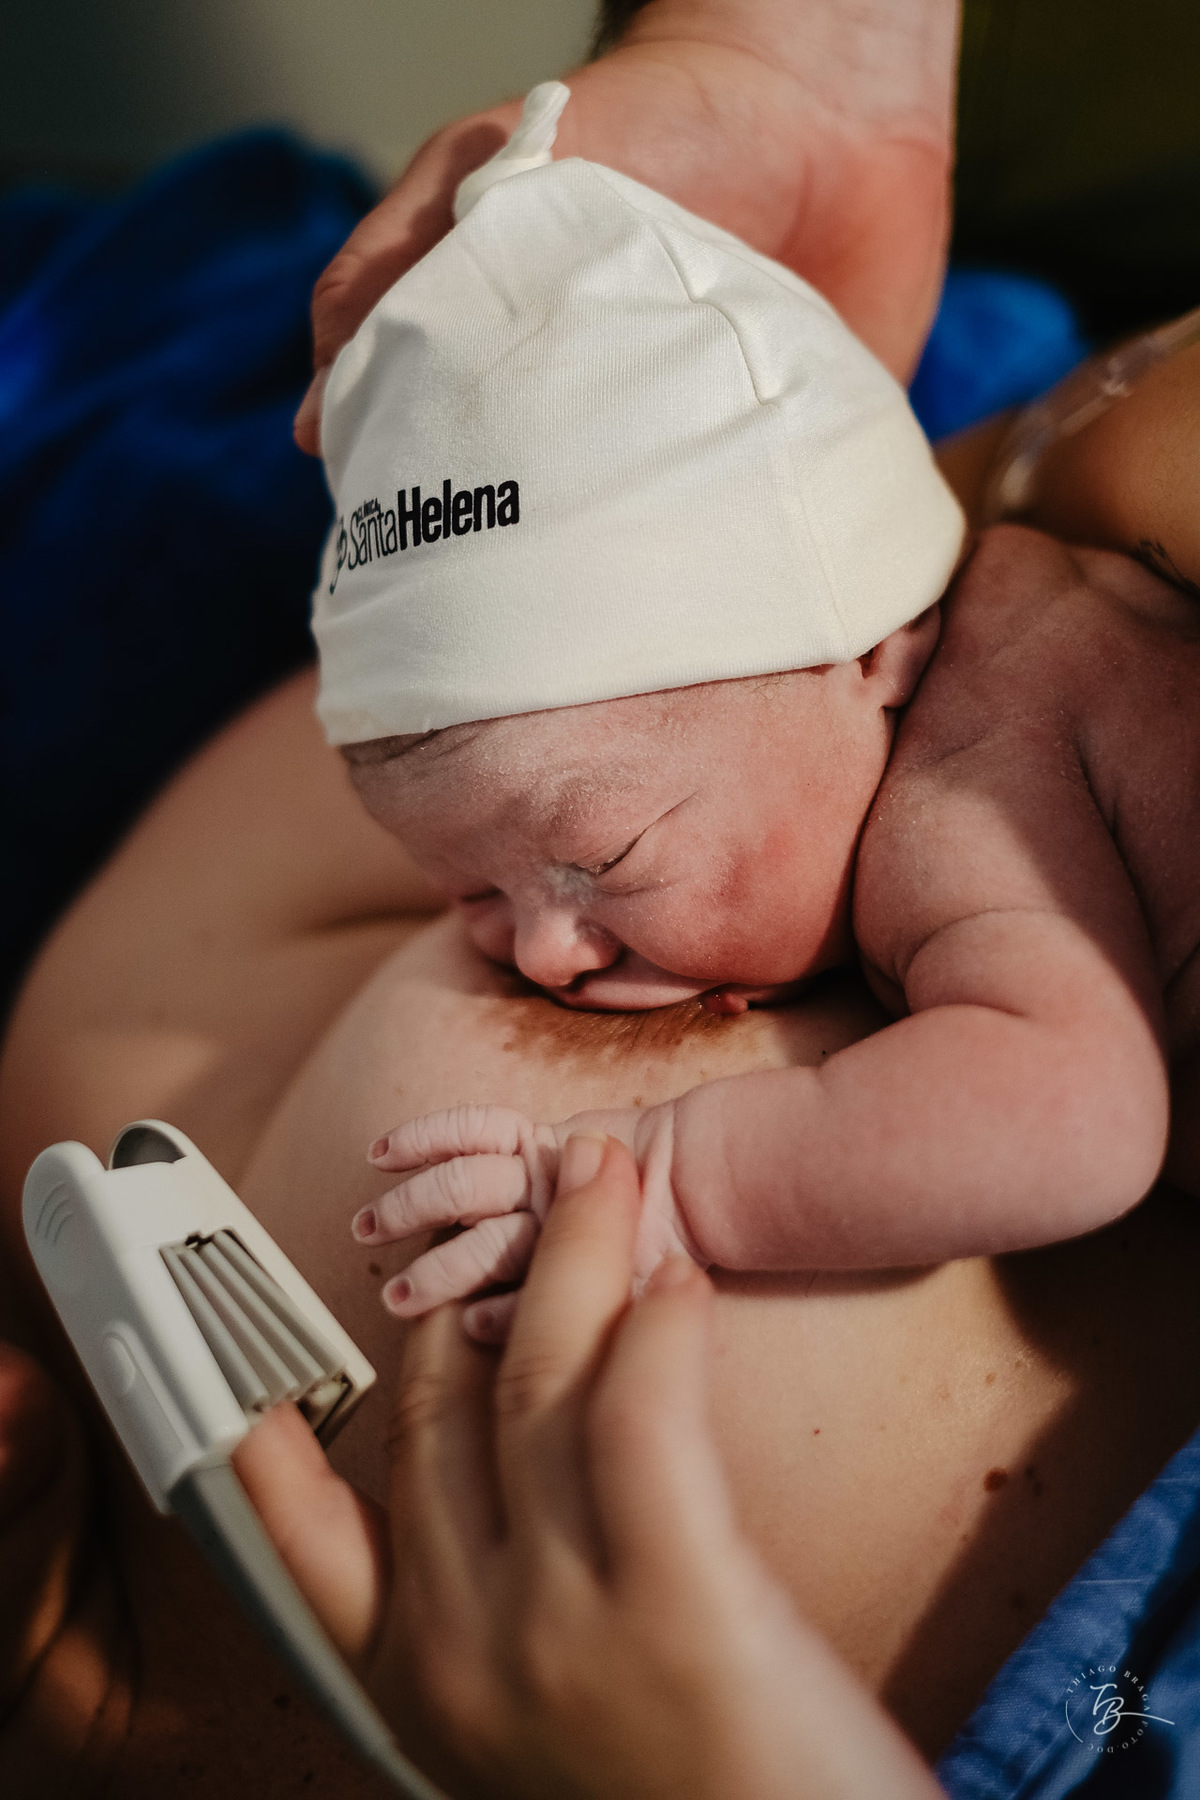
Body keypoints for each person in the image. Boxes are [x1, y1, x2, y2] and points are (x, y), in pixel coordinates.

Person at [301, 106, 1200, 1335]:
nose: (543, 955)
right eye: (471, 895)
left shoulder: (964, 786)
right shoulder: (989, 630)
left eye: (604, 854)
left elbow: (1074, 1121)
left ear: (872, 652)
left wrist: (666, 1178)